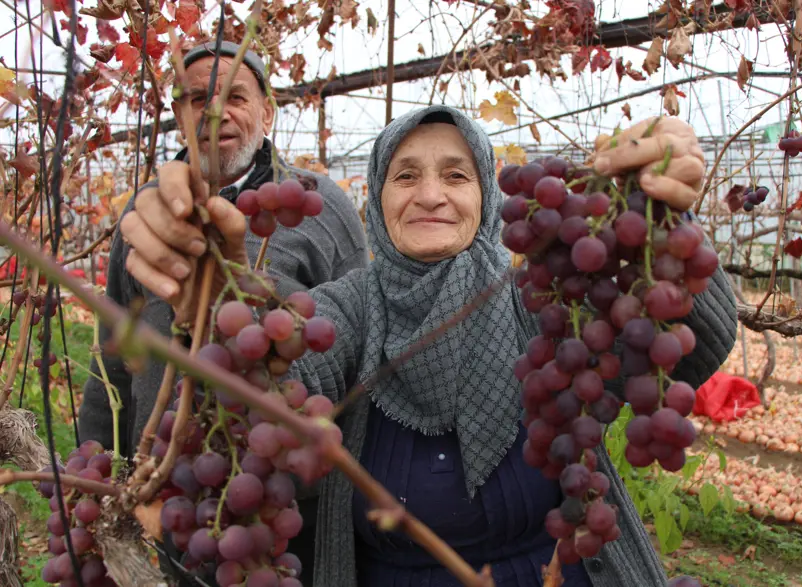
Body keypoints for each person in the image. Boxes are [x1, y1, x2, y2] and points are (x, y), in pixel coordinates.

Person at [114, 104, 738, 587]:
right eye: (406, 175)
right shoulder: (347, 309)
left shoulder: (541, 298)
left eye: (456, 175)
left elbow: (690, 350)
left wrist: (660, 221)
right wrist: (225, 315)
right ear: (378, 197)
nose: (431, 195)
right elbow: (284, 375)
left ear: (486, 197)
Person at [77, 41, 369, 586]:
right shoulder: (146, 218)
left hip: (282, 504)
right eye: (197, 99)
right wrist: (98, 464)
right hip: (170, 499)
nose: (215, 113)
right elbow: (113, 359)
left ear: (267, 112)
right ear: (179, 116)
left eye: (235, 96)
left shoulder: (319, 207)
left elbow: (358, 345)